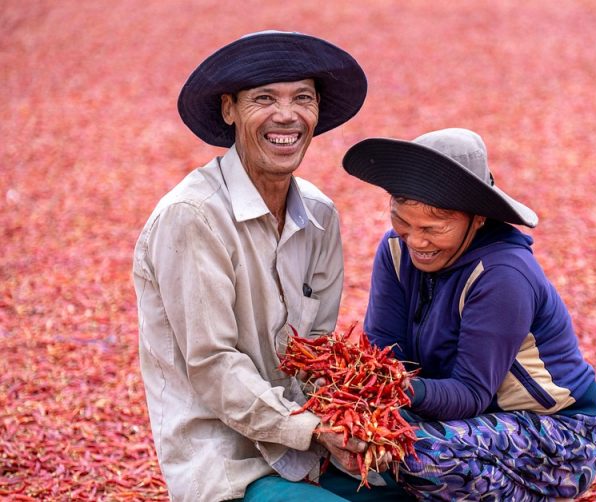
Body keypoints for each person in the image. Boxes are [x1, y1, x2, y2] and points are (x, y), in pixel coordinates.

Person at [132, 31, 410, 501]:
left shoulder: (319, 216)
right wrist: (315, 430)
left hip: (311, 450)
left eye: (302, 97)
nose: (287, 115)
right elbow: (214, 365)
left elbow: (316, 350)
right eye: (264, 98)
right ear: (229, 110)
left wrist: (352, 424)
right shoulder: (193, 218)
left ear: (317, 111)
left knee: (425, 491)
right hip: (228, 465)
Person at [342, 128, 596, 500]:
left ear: (478, 218)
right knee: (347, 432)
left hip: (558, 434)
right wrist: (364, 390)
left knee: (416, 453)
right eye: (403, 221)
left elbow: (470, 394)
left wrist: (397, 390)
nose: (416, 241)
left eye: (433, 229)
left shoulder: (503, 275)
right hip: (453, 417)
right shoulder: (395, 251)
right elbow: (385, 351)